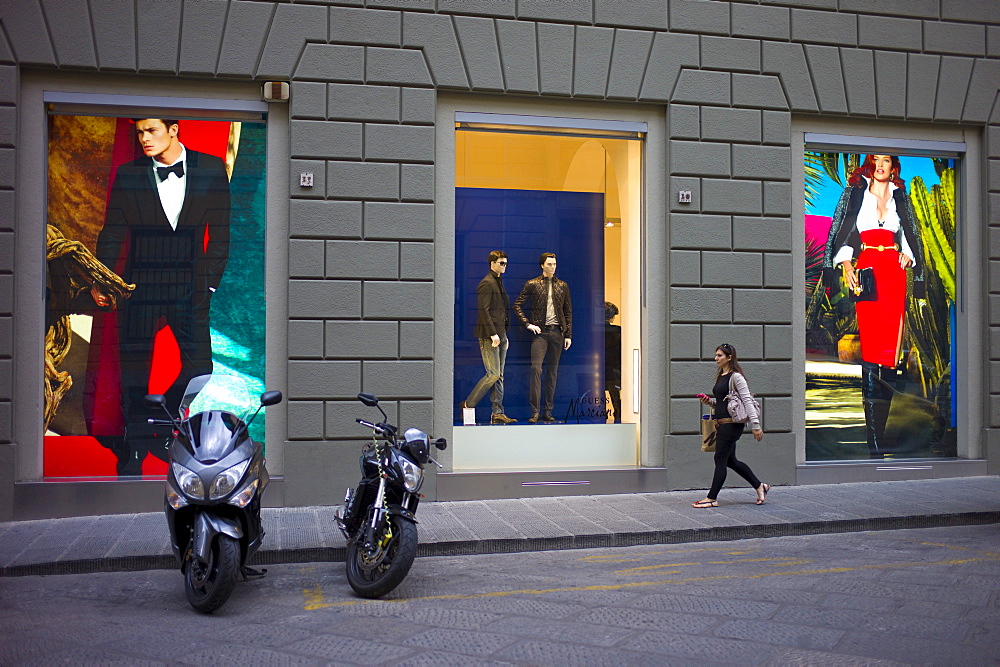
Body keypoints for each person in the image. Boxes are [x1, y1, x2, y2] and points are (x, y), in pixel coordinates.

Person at [94, 118, 231, 474]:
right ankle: (135, 450)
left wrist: (210, 285)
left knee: (201, 366)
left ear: (173, 130)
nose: (144, 139)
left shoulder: (211, 169)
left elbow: (220, 235)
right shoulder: (129, 174)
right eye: (139, 132)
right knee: (135, 376)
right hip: (139, 285)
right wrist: (102, 279)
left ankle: (160, 420)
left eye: (151, 130)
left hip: (190, 285)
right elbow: (112, 232)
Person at [822, 154, 923, 459]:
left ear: (894, 167)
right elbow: (845, 228)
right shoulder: (856, 191)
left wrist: (909, 255)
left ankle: (881, 431)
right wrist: (845, 263)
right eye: (876, 160)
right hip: (867, 270)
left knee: (889, 353)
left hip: (893, 272)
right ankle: (873, 440)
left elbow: (910, 231)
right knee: (871, 348)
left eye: (886, 161)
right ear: (870, 164)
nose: (880, 165)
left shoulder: (900, 196)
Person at [692, 343, 767, 508]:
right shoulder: (721, 375)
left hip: (731, 425)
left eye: (719, 355)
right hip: (721, 423)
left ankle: (712, 498)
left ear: (729, 357)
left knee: (719, 458)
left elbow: (747, 400)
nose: (716, 358)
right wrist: (709, 402)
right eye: (716, 355)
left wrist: (755, 425)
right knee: (731, 461)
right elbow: (723, 403)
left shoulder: (736, 377)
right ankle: (759, 486)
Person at [459, 250, 516, 424]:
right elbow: (483, 311)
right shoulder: (487, 283)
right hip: (490, 336)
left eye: (505, 263)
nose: (504, 266)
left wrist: (503, 333)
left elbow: (502, 310)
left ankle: (497, 413)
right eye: (501, 263)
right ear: (492, 263)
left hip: (501, 335)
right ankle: (468, 404)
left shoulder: (498, 281)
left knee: (499, 375)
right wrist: (493, 334)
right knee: (493, 374)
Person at [513, 253, 572, 423]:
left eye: (554, 264)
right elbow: (517, 305)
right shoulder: (533, 284)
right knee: (536, 369)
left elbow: (568, 311)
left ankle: (548, 410)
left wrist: (568, 334)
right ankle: (535, 411)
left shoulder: (562, 285)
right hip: (540, 333)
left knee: (552, 372)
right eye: (549, 264)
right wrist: (528, 324)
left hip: (557, 333)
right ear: (542, 265)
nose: (553, 267)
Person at [604, 301, 622, 423]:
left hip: (598, 368)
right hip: (614, 368)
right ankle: (618, 416)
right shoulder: (618, 331)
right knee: (615, 396)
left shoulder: (592, 331)